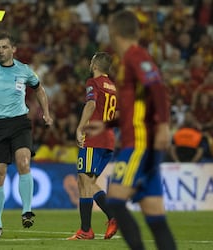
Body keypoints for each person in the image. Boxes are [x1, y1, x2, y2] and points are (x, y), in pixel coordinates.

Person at [84, 10, 176, 249]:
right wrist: (106, 124)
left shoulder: (135, 57)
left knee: (114, 201)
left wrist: (164, 126)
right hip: (142, 145)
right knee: (155, 217)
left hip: (139, 144)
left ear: (115, 32)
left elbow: (157, 88)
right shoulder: (128, 64)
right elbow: (133, 109)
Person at [0, 16, 53, 238]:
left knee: (24, 161)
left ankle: (27, 211)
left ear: (14, 49)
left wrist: (46, 112)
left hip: (20, 123)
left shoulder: (25, 70)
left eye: (4, 47)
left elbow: (39, 89)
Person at [67, 52, 118, 240]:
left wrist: (80, 128)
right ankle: (109, 218)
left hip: (94, 138)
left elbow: (90, 104)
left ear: (95, 65)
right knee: (87, 182)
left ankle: (86, 230)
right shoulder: (112, 86)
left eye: (91, 61)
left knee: (84, 181)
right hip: (108, 140)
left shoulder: (93, 82)